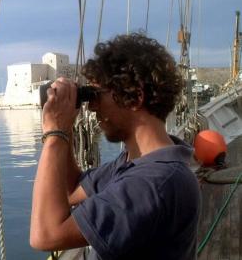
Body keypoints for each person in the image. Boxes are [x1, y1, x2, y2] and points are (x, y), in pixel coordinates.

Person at [30, 33, 201, 260]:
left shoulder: (155, 182)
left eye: (97, 95)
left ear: (135, 98)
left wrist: (54, 134)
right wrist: (66, 127)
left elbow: (45, 235)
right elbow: (71, 191)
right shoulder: (135, 163)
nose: (92, 108)